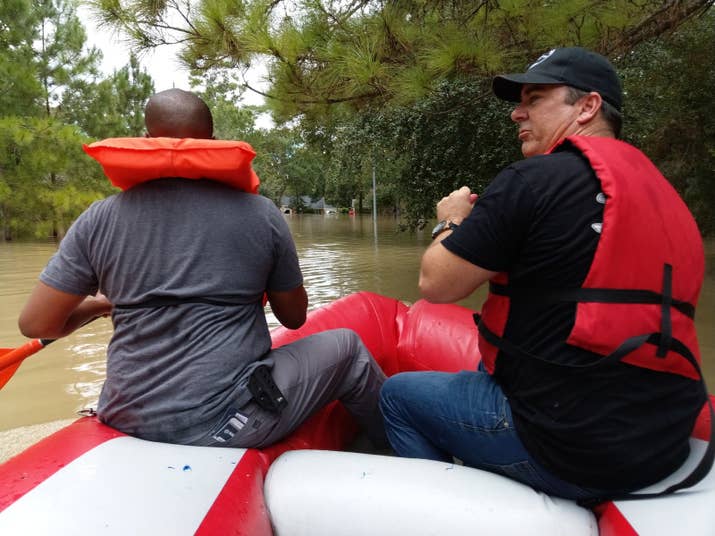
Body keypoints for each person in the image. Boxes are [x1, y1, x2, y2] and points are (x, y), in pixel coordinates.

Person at [379, 47, 709, 502]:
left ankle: (445, 513)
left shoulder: (531, 181)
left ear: (587, 106)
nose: (517, 113)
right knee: (487, 367)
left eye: (533, 99)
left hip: (570, 452)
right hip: (660, 446)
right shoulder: (669, 201)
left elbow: (436, 285)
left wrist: (451, 221)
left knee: (398, 396)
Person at [19, 88, 387, 450]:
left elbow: (37, 324)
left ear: (147, 140)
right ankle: (399, 451)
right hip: (223, 422)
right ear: (211, 141)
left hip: (125, 415)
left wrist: (103, 303)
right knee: (349, 349)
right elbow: (292, 317)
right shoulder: (261, 214)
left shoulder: (99, 218)